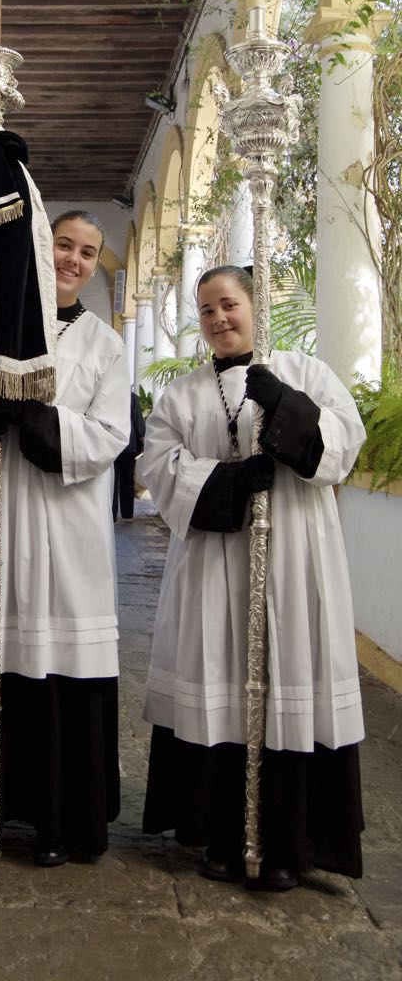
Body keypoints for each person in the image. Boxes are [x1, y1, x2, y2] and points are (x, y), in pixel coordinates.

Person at [139, 264, 365, 890]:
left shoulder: (306, 374)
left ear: (254, 304)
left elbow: (345, 446)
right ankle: (218, 833)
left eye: (229, 305)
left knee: (290, 679)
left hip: (294, 557)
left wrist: (284, 406)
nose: (219, 320)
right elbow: (158, 467)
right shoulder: (181, 395)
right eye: (207, 310)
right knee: (221, 684)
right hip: (215, 564)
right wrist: (230, 483)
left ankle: (291, 843)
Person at [0, 210, 130, 866]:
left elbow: (110, 435)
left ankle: (56, 818)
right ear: (41, 248)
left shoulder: (105, 345)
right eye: (63, 244)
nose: (72, 259)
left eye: (87, 252)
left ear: (95, 266)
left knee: (53, 662)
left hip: (63, 529)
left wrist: (36, 420)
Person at [112, 390, 146, 520]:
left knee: (113, 480)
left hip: (112, 443)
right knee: (127, 480)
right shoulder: (132, 397)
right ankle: (127, 514)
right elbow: (138, 420)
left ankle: (112, 514)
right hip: (128, 444)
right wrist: (142, 439)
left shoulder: (108, 395)